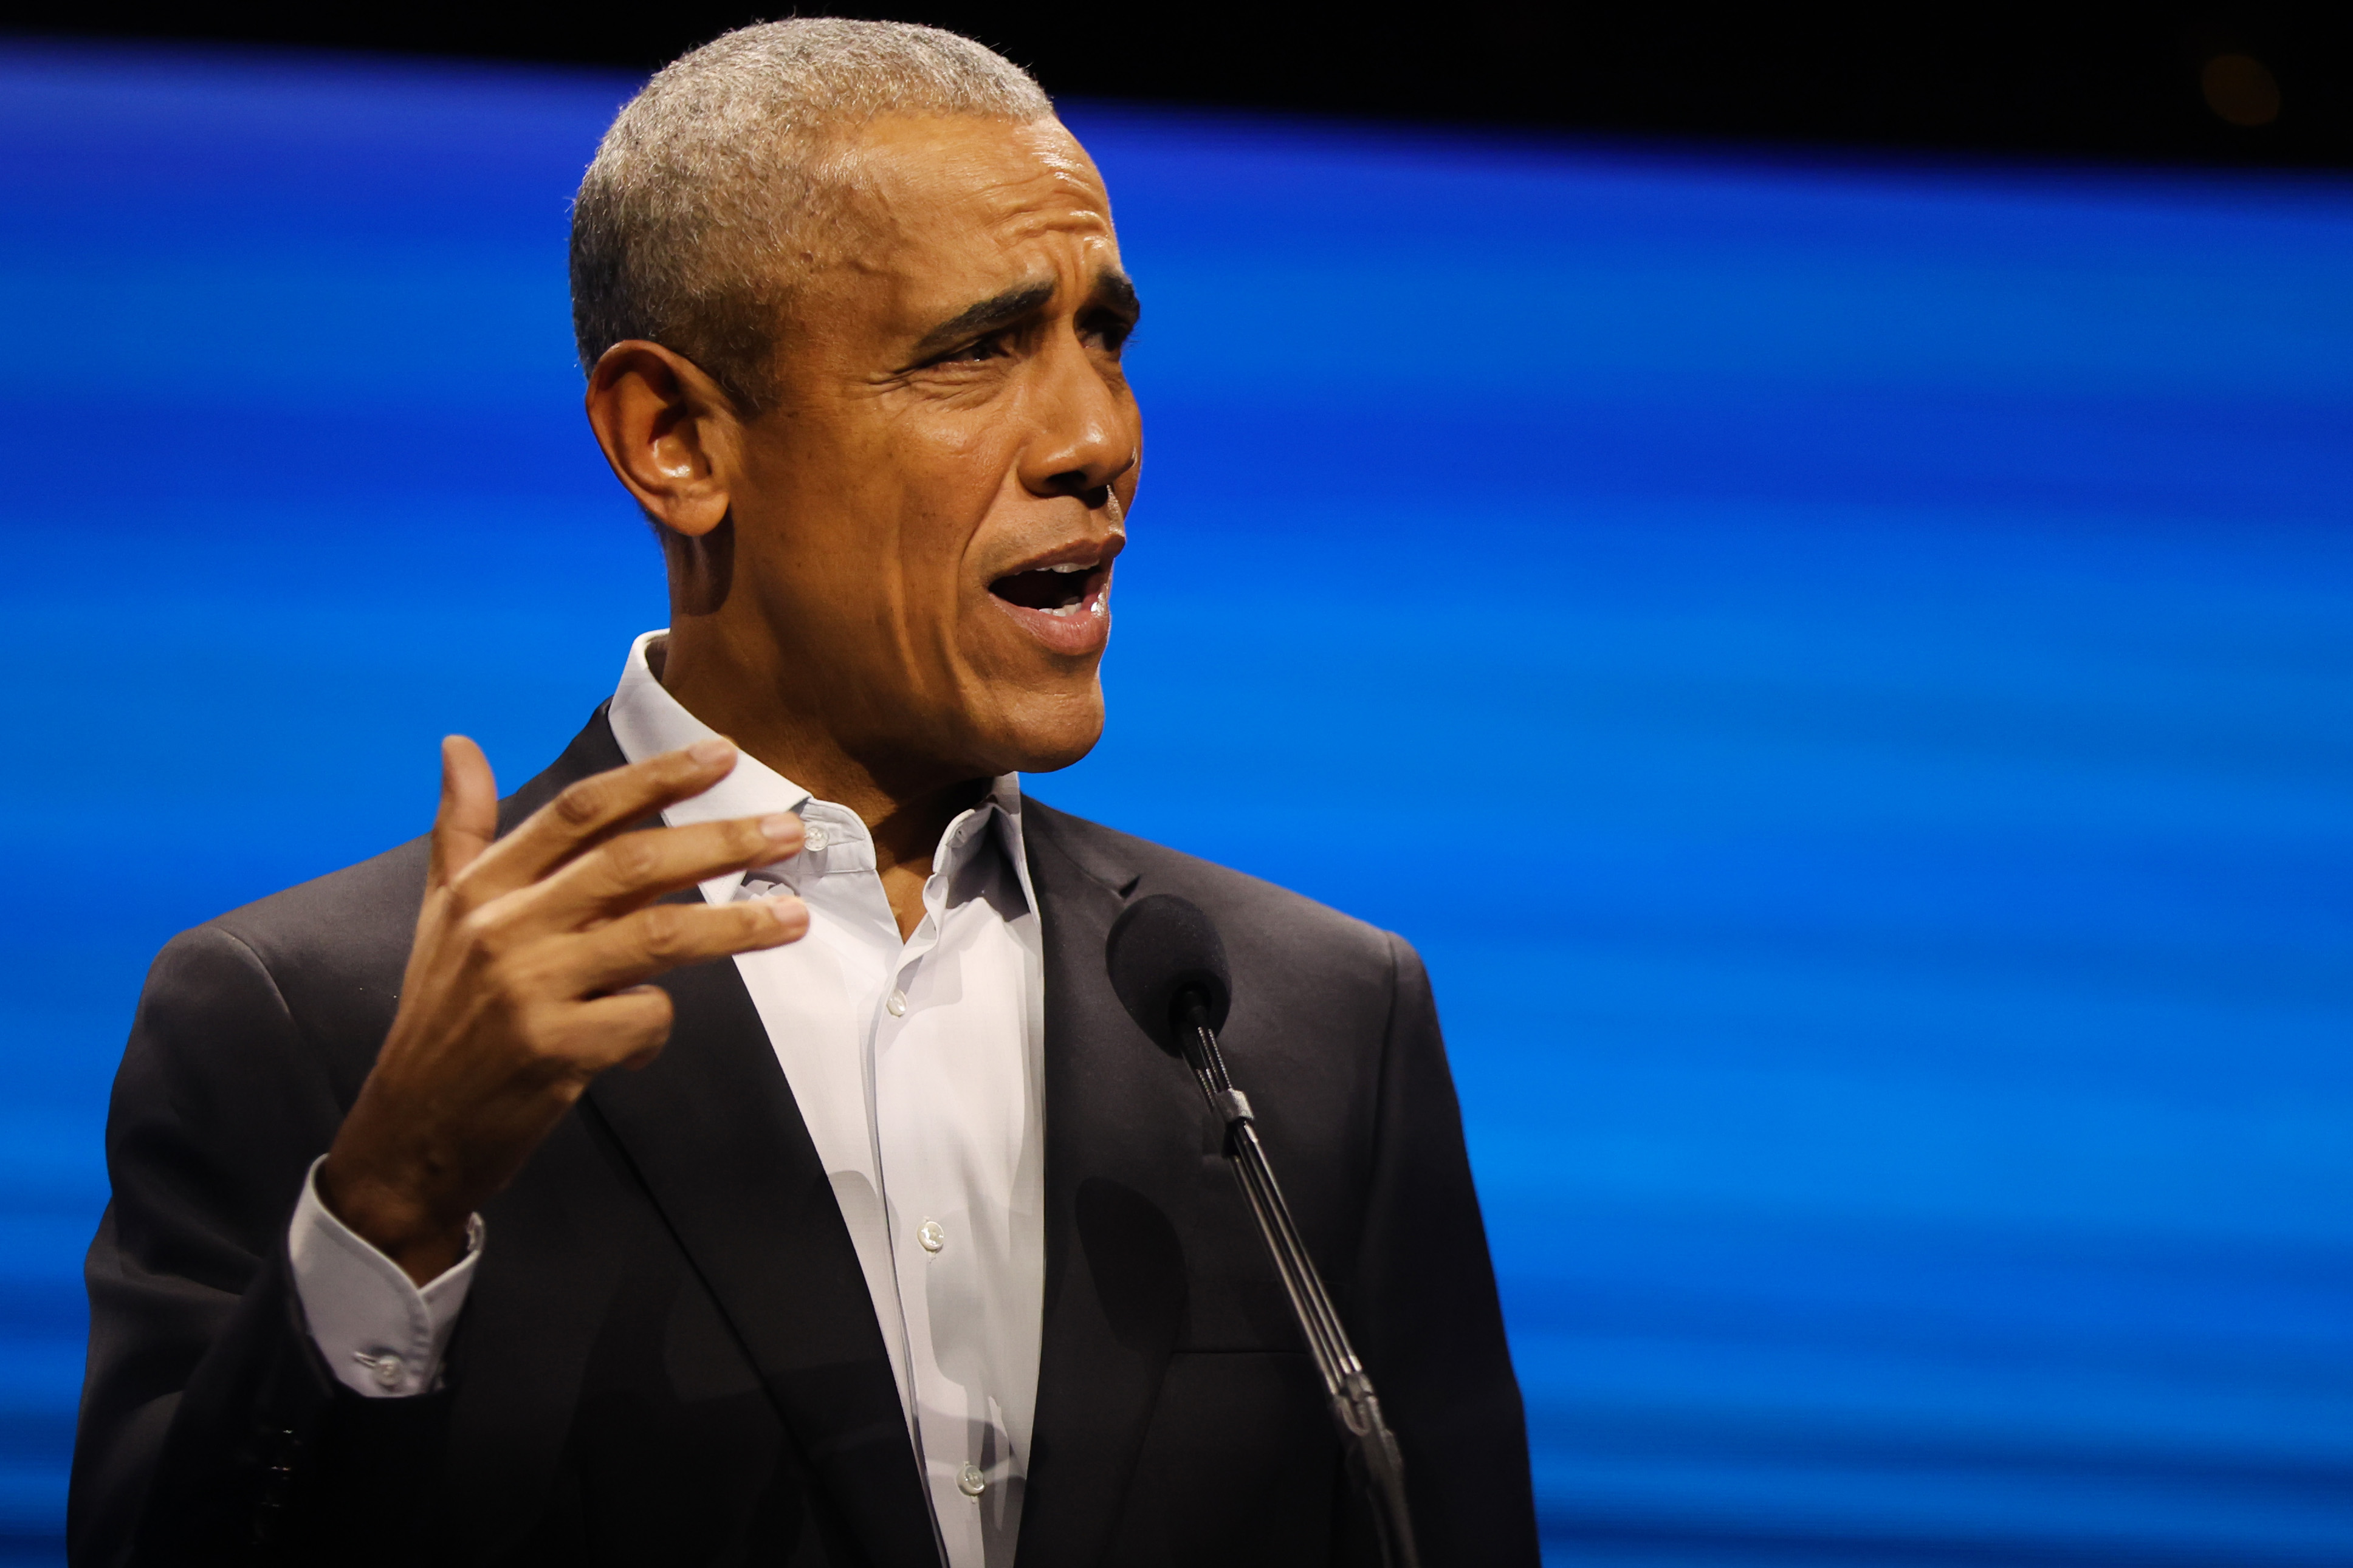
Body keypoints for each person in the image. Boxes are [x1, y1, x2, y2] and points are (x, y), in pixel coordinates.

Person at [68, 19, 1537, 1567]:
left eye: (1102, 335)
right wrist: (391, 1205)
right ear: (678, 440)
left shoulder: (1309, 1024)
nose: (1099, 438)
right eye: (979, 347)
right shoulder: (321, 1022)